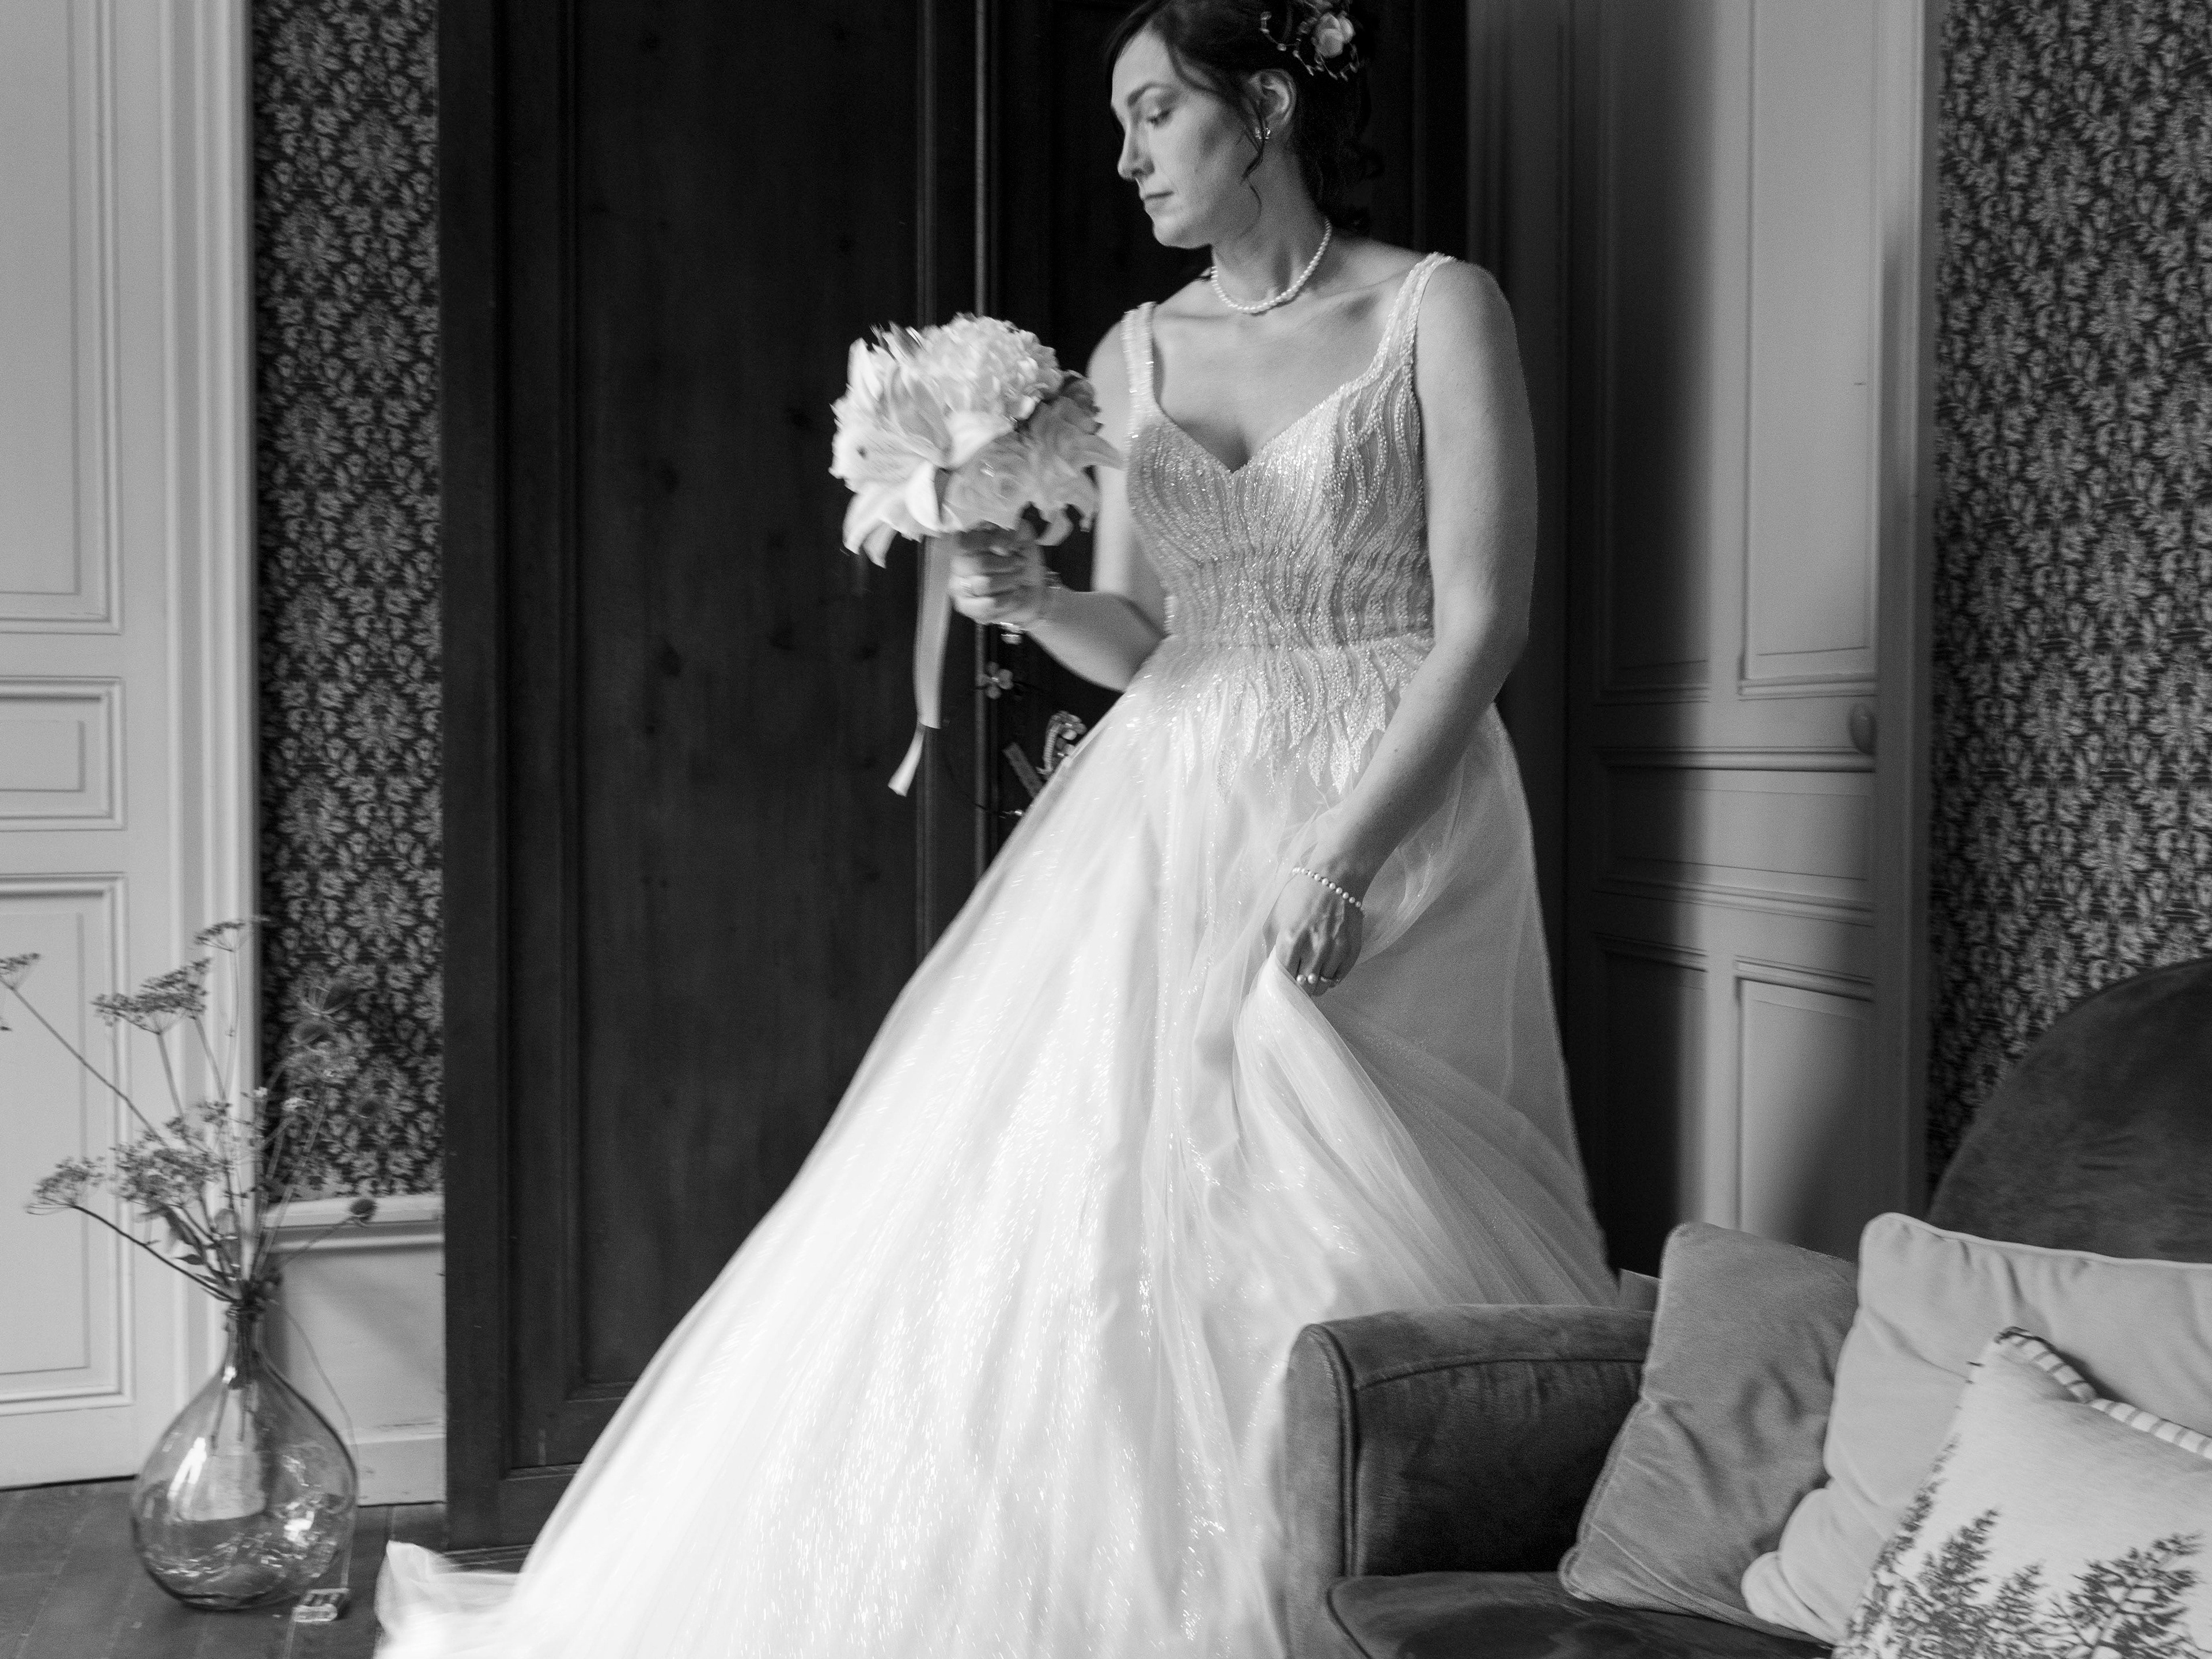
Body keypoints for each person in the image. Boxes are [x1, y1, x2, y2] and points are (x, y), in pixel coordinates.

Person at [374, 2, 1614, 1654]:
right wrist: (1031, 599)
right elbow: (1150, 640)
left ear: (1264, 104)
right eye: (1118, 122)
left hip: (1395, 800)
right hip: (1176, 798)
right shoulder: (1135, 353)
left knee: (1352, 1196)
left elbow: (1485, 620)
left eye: (1155, 111)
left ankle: (1373, 1567)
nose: (1129, 156)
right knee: (1131, 1194)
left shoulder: (1438, 310)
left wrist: (1345, 849)